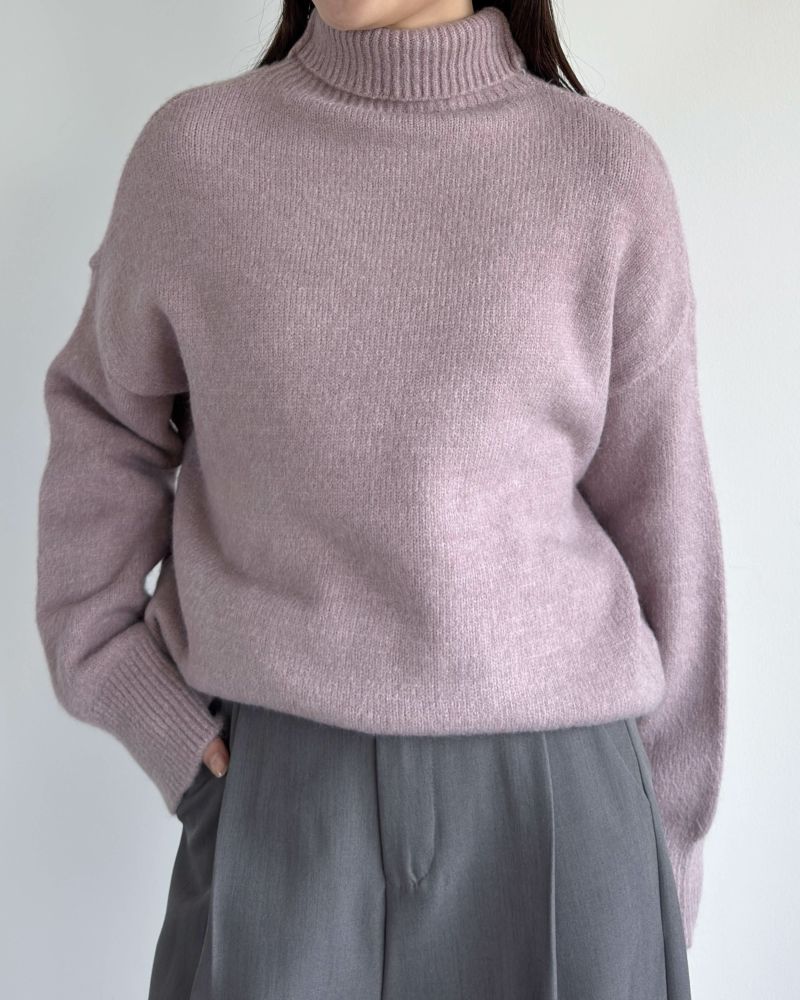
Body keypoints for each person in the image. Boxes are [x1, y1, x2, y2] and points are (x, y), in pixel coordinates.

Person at [34, 2, 727, 997]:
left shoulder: (603, 173)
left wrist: (662, 871)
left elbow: (671, 538)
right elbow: (103, 424)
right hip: (278, 811)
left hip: (564, 824)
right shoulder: (196, 158)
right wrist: (135, 694)